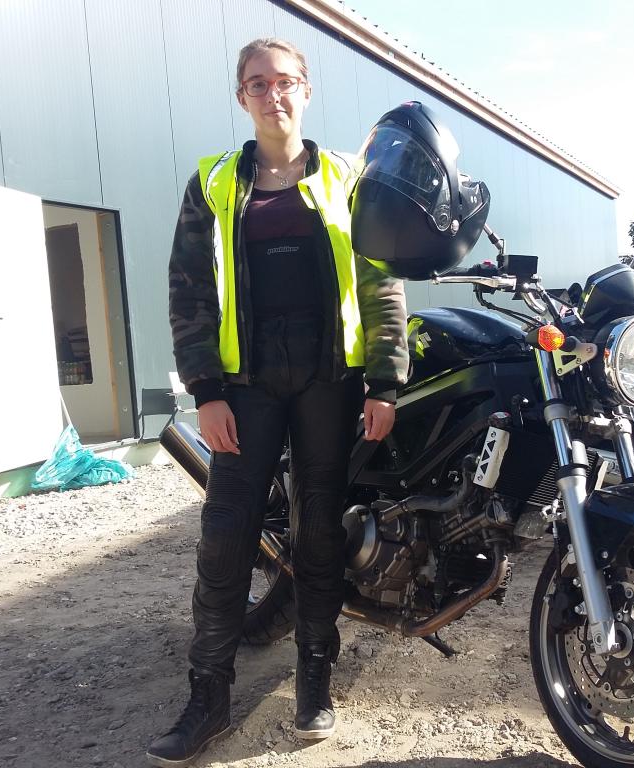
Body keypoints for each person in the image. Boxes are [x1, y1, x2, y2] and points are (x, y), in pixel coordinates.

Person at [148, 37, 409, 767]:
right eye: (259, 84)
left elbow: (382, 283)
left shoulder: (348, 179)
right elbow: (188, 291)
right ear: (242, 97)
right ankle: (208, 697)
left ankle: (313, 682)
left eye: (286, 81)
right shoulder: (213, 183)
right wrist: (206, 390)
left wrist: (385, 381)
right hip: (247, 385)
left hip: (330, 381)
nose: (274, 95)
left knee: (318, 530)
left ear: (307, 90)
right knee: (226, 533)